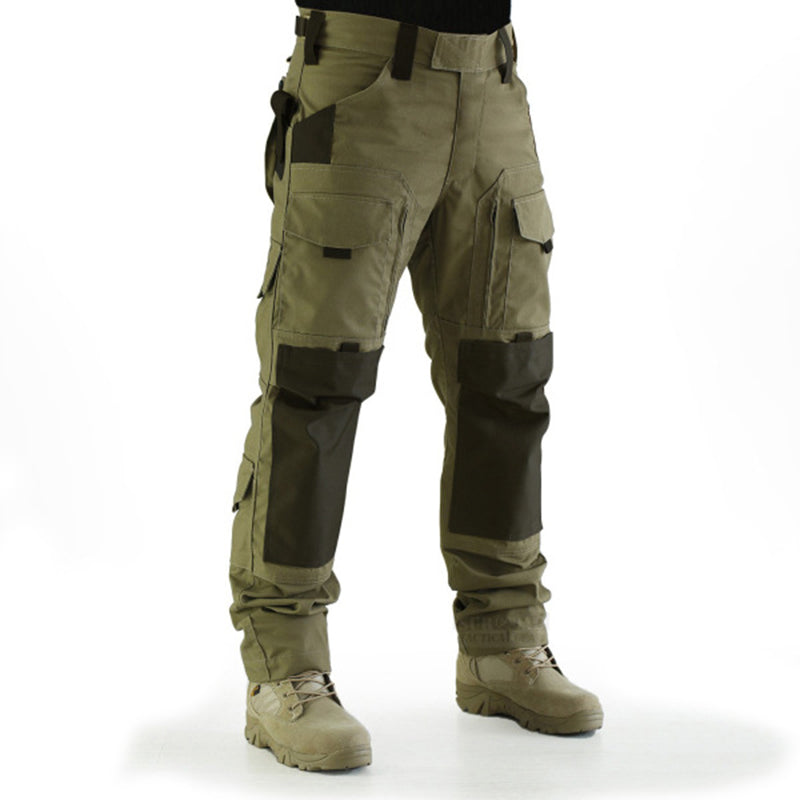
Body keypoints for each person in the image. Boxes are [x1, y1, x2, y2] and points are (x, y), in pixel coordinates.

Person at [228, 0, 603, 771]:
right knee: (316, 382)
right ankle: (283, 668)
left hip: (494, 82)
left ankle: (501, 645)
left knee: (506, 375)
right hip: (364, 77)